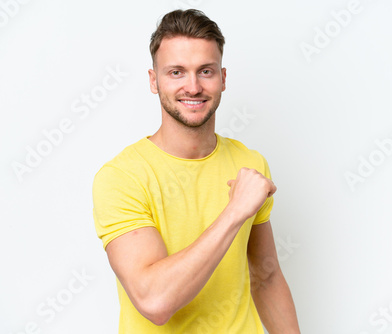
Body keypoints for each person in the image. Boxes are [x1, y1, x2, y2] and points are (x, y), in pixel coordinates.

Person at [92, 9, 301, 333]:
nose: (193, 86)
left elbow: (267, 275)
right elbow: (154, 301)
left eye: (205, 71)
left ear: (223, 78)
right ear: (153, 80)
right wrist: (235, 212)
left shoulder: (250, 162)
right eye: (176, 72)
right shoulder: (122, 177)